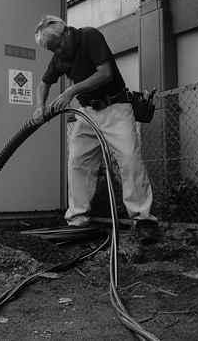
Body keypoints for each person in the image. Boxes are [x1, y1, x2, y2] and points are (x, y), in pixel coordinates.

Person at [33, 15, 160, 244]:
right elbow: (44, 83)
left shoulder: (89, 35)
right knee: (77, 161)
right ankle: (77, 221)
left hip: (115, 107)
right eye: (52, 49)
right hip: (88, 112)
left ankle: (144, 221)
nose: (58, 51)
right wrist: (40, 105)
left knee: (130, 159)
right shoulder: (59, 56)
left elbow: (105, 73)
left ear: (67, 32)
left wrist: (72, 91)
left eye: (58, 44)